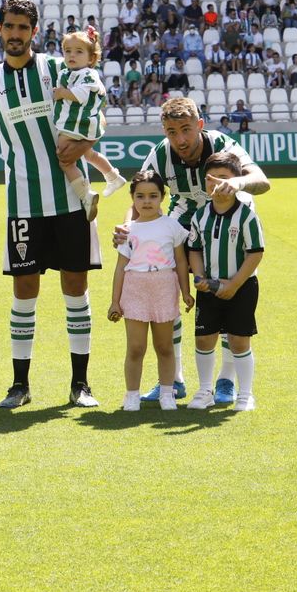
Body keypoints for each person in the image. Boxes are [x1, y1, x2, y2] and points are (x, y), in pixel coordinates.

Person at [0, 0, 100, 410]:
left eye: (22, 27)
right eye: (9, 26)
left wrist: (87, 142)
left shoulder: (58, 69)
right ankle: (19, 385)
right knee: (24, 291)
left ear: (34, 31)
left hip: (70, 199)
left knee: (75, 288)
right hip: (23, 202)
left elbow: (95, 106)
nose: (15, 34)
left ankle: (80, 384)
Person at [120, 96, 270, 405]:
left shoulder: (221, 144)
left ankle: (226, 378)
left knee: (229, 290)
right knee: (165, 286)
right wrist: (127, 228)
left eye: (186, 130)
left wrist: (237, 184)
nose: (180, 140)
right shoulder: (161, 153)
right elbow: (139, 193)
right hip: (186, 216)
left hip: (228, 214)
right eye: (172, 132)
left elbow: (261, 180)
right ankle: (173, 379)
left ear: (199, 125)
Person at [107, 171, 192, 412]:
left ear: (163, 197)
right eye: (140, 196)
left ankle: (167, 393)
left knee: (164, 347)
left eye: (153, 196)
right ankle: (132, 395)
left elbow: (181, 261)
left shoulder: (172, 226)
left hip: (164, 289)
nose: (147, 201)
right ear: (132, 198)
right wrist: (115, 301)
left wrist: (186, 292)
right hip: (135, 291)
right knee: (136, 348)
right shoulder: (128, 230)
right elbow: (120, 267)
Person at [185, 153, 264, 412]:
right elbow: (194, 249)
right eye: (211, 178)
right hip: (209, 288)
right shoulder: (200, 216)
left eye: (224, 178)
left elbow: (255, 253)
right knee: (204, 339)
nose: (217, 183)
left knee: (239, 341)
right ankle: (204, 390)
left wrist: (234, 285)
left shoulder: (246, 216)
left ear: (236, 182)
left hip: (242, 287)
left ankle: (246, 394)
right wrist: (199, 277)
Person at [51, 26, 125, 219]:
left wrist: (62, 93)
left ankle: (86, 195)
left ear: (91, 59)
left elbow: (81, 96)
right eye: (67, 51)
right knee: (89, 154)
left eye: (78, 51)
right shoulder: (67, 73)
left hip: (75, 125)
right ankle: (113, 176)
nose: (71, 55)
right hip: (78, 124)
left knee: (65, 160)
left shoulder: (88, 74)